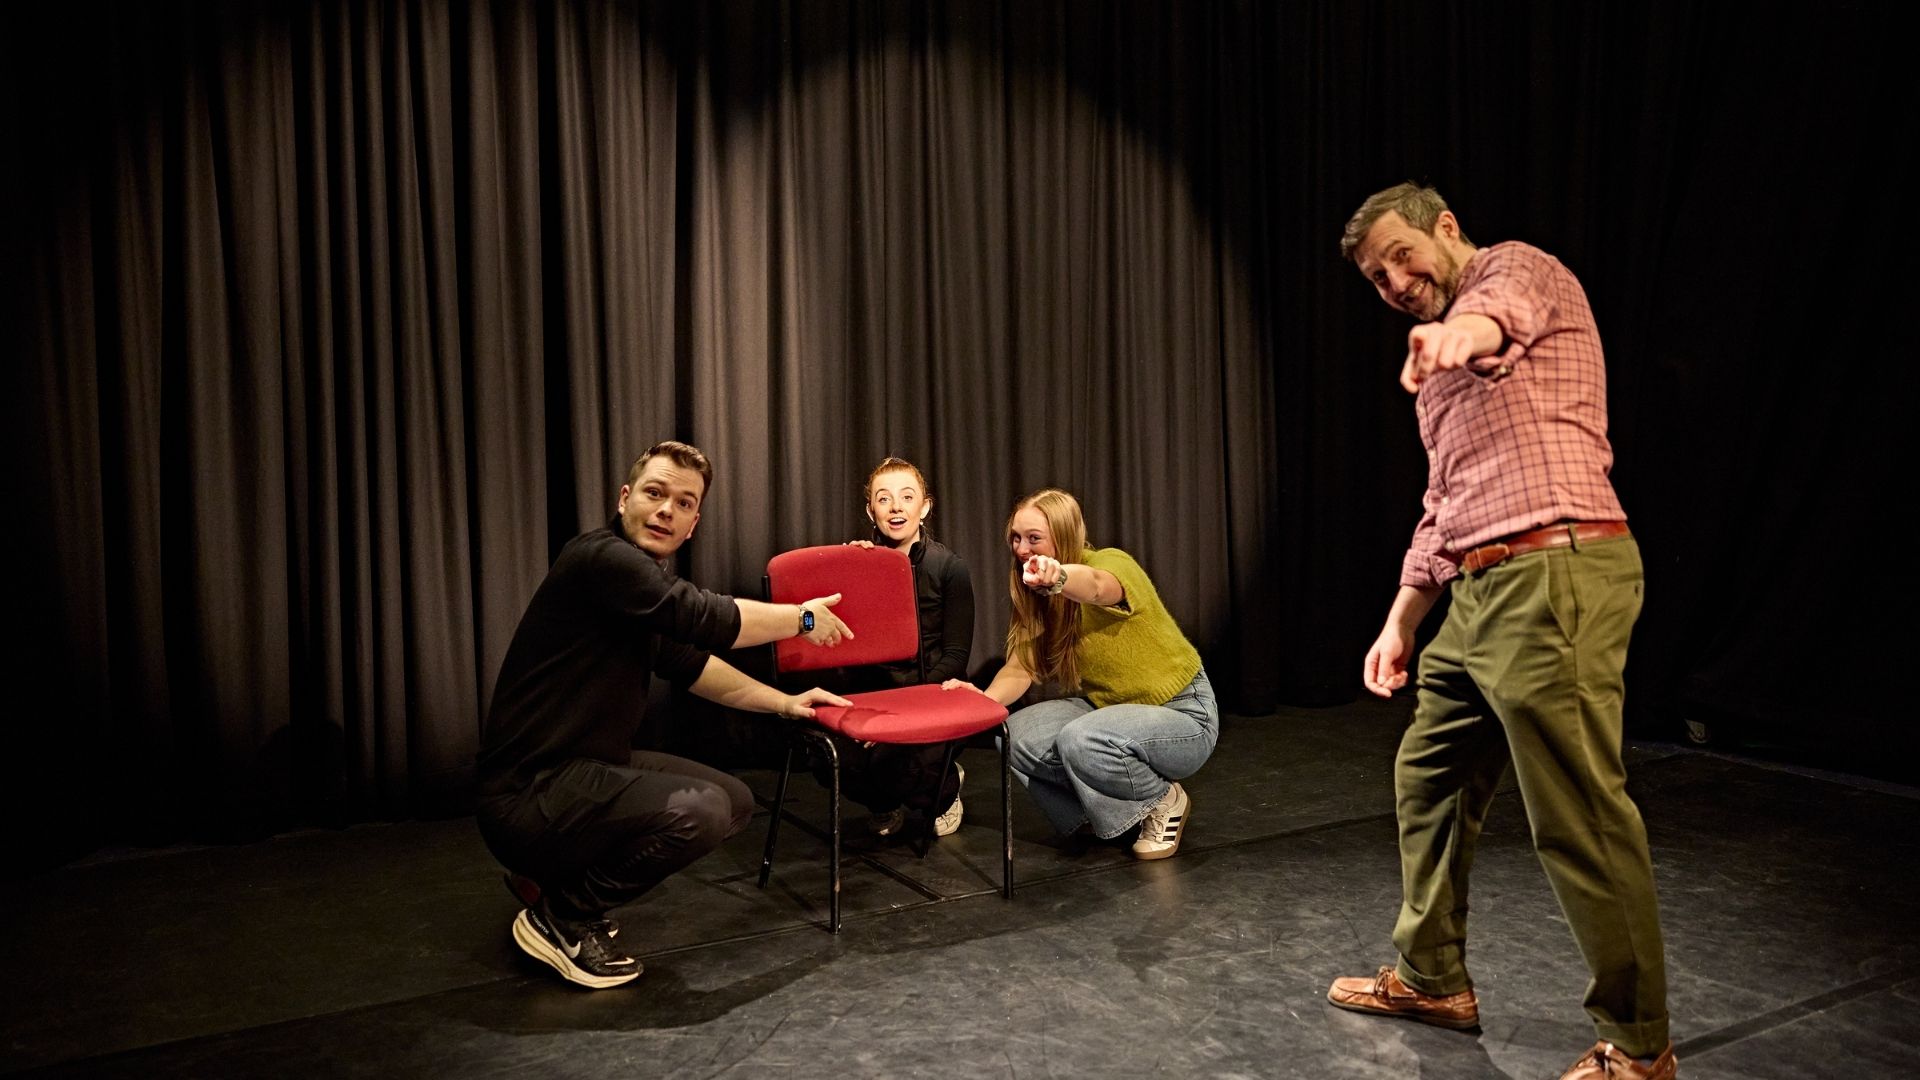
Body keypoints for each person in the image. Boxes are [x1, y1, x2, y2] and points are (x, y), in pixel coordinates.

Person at [1324, 182, 1675, 1080]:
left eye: (1403, 257)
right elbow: (1442, 508)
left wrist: (1456, 338)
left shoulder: (1517, 270)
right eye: (1376, 278)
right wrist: (1401, 623)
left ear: (1445, 228)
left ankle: (1639, 1049)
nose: (1396, 282)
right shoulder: (1432, 390)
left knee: (1577, 813)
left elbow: (1498, 315)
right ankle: (1431, 975)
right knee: (1429, 771)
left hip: (1554, 570)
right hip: (1478, 591)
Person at [476, 440, 854, 990]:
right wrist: (800, 619)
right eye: (655, 494)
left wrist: (786, 702)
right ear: (625, 497)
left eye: (682, 503)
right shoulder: (601, 559)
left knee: (734, 802)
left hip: (578, 771)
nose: (665, 511)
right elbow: (703, 617)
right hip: (527, 791)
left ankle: (548, 877)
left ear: (693, 523)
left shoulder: (634, 589)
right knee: (697, 812)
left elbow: (694, 666)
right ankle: (564, 914)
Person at [945, 488, 1216, 860]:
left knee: (1081, 738)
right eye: (1016, 538)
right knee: (1016, 735)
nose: (1022, 548)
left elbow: (1097, 587)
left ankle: (1161, 800)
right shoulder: (1036, 599)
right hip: (1112, 712)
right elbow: (1021, 667)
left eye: (1034, 538)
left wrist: (1059, 579)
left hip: (1184, 716)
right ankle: (1101, 815)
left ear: (1064, 536)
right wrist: (982, 702)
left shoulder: (1110, 563)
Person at [821, 457, 976, 839]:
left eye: (907, 497)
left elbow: (956, 657)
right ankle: (885, 803)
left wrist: (903, 709)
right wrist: (852, 571)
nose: (895, 507)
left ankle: (944, 790)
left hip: (933, 694)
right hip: (877, 692)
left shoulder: (949, 568)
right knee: (834, 759)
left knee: (899, 762)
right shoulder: (859, 561)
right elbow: (845, 645)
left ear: (924, 507)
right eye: (884, 498)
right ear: (870, 510)